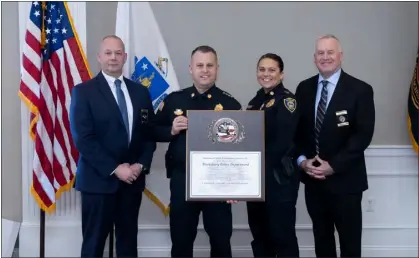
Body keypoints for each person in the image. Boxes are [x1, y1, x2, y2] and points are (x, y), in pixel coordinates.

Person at [69, 35, 156, 257]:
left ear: (125, 57)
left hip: (131, 183)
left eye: (118, 53)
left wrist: (140, 165)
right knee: (93, 246)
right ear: (99, 57)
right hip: (98, 183)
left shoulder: (140, 92)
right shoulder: (83, 91)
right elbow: (83, 139)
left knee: (128, 246)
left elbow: (148, 134)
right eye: (108, 53)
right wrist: (117, 169)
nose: (113, 58)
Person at [151, 45, 241, 257]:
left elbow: (240, 149)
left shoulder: (230, 104)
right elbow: (153, 130)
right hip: (183, 180)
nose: (205, 70)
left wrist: (236, 186)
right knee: (181, 240)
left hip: (218, 184)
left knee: (220, 240)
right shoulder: (174, 100)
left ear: (217, 68)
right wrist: (171, 130)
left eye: (210, 65)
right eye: (199, 65)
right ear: (191, 69)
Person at [295, 34, 375, 257]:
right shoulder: (304, 89)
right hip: (314, 183)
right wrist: (303, 162)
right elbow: (297, 133)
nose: (325, 57)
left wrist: (334, 165)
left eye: (330, 52)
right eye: (320, 53)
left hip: (346, 182)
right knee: (322, 242)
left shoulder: (360, 90)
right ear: (314, 58)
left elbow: (362, 136)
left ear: (340, 56)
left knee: (350, 245)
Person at [246, 53, 300, 257]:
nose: (265, 74)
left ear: (281, 74)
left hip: (279, 180)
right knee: (260, 236)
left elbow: (282, 142)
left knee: (282, 236)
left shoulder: (287, 101)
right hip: (256, 181)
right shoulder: (255, 101)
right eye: (262, 69)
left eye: (271, 70)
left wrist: (252, 165)